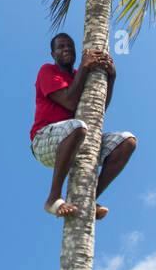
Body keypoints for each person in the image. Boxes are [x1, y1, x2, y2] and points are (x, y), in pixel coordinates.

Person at [30, 32, 137, 219]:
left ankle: (89, 198)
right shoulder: (47, 70)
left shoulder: (81, 74)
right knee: (78, 127)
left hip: (78, 138)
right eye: (61, 47)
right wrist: (85, 67)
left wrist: (111, 78)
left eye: (70, 46)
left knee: (127, 141)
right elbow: (70, 102)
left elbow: (98, 109)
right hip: (45, 140)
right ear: (53, 55)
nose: (67, 49)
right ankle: (53, 198)